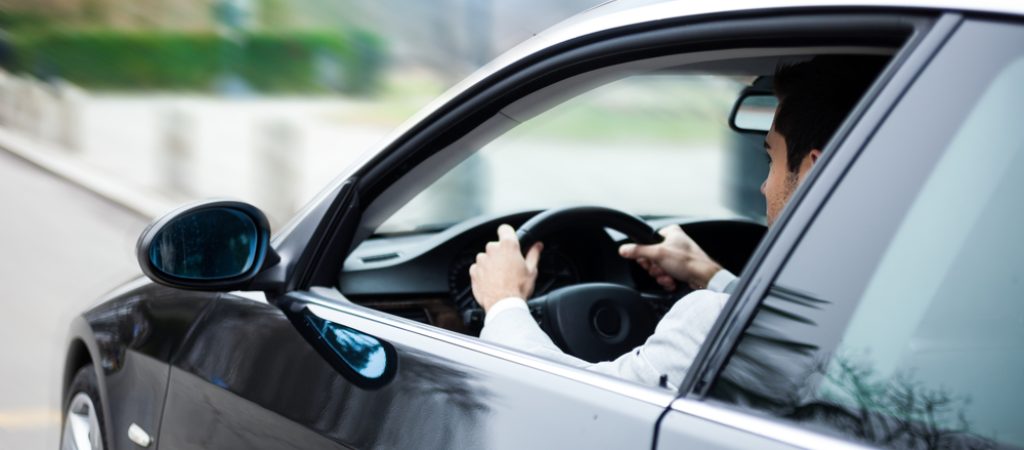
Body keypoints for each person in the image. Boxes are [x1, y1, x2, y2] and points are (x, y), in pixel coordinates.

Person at [468, 56, 884, 389]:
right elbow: (780, 325)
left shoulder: (709, 323)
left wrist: (503, 301)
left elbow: (563, 406)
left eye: (769, 158)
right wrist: (708, 273)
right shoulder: (891, 303)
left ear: (817, 173)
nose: (762, 187)